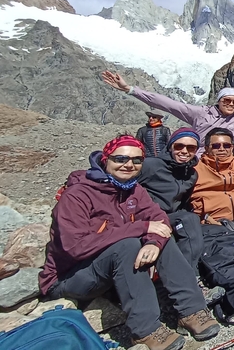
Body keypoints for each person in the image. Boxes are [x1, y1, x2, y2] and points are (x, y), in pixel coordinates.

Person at [39, 135, 219, 350]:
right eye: (120, 159)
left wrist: (153, 241)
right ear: (105, 159)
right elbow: (75, 247)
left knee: (161, 237)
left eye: (136, 160)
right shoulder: (78, 195)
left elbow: (158, 218)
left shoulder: (132, 189)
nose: (128, 165)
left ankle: (191, 310)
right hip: (69, 277)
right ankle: (145, 330)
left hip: (108, 269)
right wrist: (141, 228)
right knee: (128, 245)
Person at [102, 71, 234, 157]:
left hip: (223, 163)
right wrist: (130, 89)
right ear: (219, 100)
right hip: (195, 160)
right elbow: (168, 104)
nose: (231, 104)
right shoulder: (200, 113)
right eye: (227, 100)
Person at [137, 128, 203, 272]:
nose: (184, 151)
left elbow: (183, 202)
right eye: (179, 146)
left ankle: (186, 275)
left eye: (191, 148)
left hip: (170, 216)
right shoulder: (150, 165)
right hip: (148, 216)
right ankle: (187, 276)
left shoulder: (191, 174)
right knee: (188, 219)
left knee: (190, 219)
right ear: (170, 146)